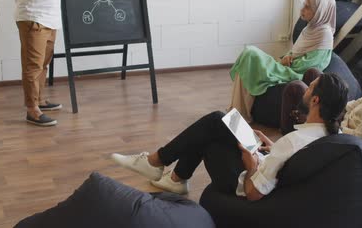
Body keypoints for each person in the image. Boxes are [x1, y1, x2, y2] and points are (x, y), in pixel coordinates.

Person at [111, 73, 348, 200]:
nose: (305, 90)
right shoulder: (331, 135)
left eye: (310, 87)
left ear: (315, 100)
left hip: (245, 183)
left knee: (213, 126)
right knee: (221, 123)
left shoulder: (293, 141)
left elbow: (254, 192)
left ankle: (157, 163)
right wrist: (272, 148)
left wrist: (251, 163)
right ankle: (174, 178)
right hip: (267, 164)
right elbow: (293, 158)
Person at [228, 0, 337, 120]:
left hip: (295, 72)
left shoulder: (324, 34)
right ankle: (238, 112)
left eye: (307, 7)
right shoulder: (309, 28)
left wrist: (287, 62)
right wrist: (286, 57)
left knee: (251, 54)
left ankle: (239, 113)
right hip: (287, 66)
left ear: (320, 12)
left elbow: (314, 65)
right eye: (304, 5)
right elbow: (295, 51)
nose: (302, 10)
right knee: (248, 61)